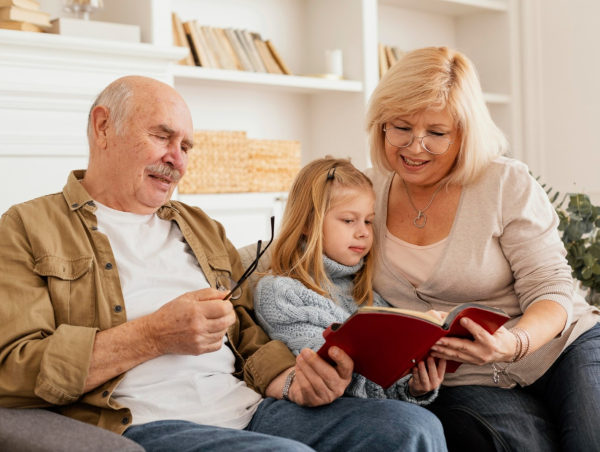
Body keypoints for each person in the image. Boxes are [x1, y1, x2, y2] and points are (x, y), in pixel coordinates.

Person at [0, 75, 447, 452]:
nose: (177, 159)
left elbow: (248, 331)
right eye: (161, 136)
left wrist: (293, 381)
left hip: (251, 409)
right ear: (102, 127)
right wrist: (153, 335)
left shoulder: (200, 227)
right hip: (144, 422)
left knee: (412, 429)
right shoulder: (27, 227)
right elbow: (13, 370)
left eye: (186, 147)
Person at [363, 46, 600, 452]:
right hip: (464, 376)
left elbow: (552, 287)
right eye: (400, 127)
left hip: (559, 347)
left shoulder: (504, 183)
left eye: (436, 134)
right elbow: (300, 251)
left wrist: (513, 343)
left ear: (464, 134)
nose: (414, 147)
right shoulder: (364, 192)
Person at [254, 157, 446, 405]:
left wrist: (414, 387)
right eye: (348, 220)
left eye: (368, 220)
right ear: (308, 223)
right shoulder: (279, 291)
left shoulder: (367, 293)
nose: (364, 232)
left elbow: (388, 379)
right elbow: (332, 373)